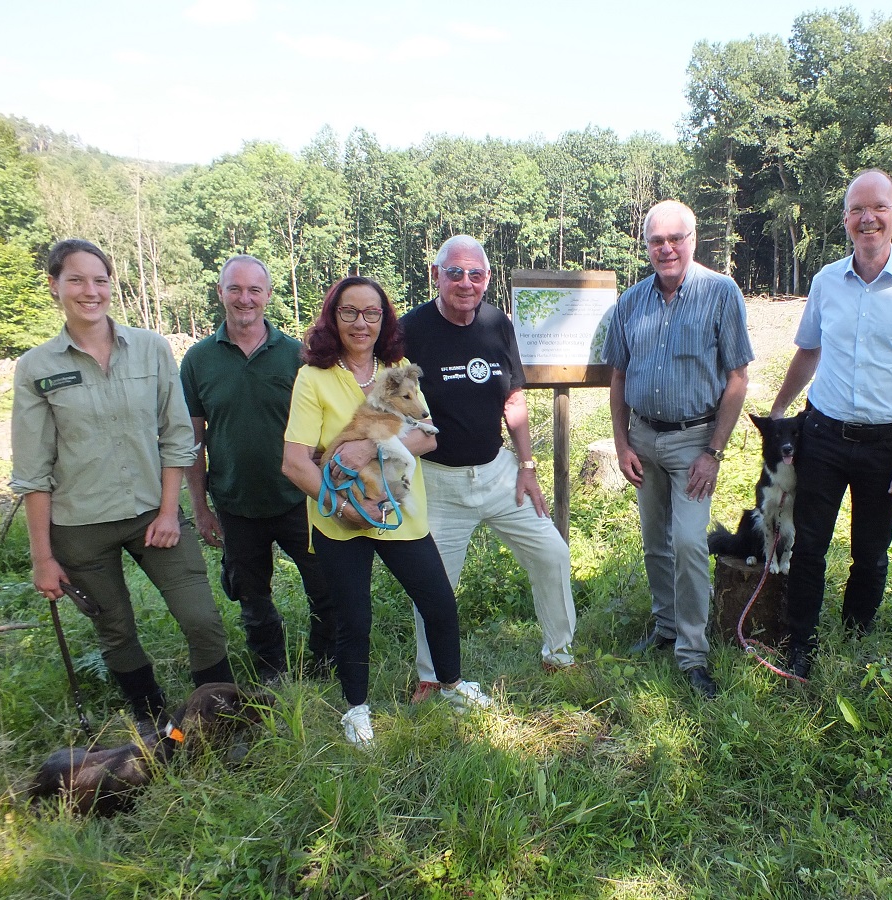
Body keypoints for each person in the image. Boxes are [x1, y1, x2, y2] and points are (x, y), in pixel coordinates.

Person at [11, 239, 233, 724]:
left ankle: (218, 714)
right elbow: (32, 471)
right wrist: (43, 558)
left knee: (201, 617)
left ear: (111, 286)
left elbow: (177, 436)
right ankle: (150, 716)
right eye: (76, 279)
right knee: (114, 628)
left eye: (100, 280)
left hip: (157, 513)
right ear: (55, 286)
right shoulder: (37, 367)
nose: (90, 291)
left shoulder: (151, 349)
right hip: (80, 526)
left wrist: (171, 511)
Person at [281, 276, 490, 745]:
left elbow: (429, 434)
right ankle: (356, 709)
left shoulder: (398, 370)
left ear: (384, 320)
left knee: (438, 600)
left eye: (371, 313)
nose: (361, 322)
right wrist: (341, 506)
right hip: (341, 518)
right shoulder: (313, 377)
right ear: (333, 317)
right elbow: (295, 462)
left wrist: (371, 451)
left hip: (400, 511)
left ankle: (452, 684)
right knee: (353, 617)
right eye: (350, 312)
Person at [769, 169, 892, 679]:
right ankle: (800, 642)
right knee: (809, 545)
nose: (867, 217)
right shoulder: (826, 281)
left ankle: (855, 635)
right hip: (823, 436)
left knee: (871, 552)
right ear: (846, 219)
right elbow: (809, 352)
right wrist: (781, 409)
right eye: (857, 209)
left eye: (878, 207)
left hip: (886, 444)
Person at [394, 235, 576, 702]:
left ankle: (559, 653)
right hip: (437, 483)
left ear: (488, 278)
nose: (465, 283)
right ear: (436, 274)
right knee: (434, 584)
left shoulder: (498, 324)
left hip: (499, 474)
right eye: (454, 272)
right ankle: (432, 677)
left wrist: (528, 465)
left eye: (475, 274)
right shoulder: (410, 330)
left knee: (552, 553)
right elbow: (388, 394)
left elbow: (513, 396)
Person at [602, 199, 754, 699]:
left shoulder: (720, 293)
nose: (666, 248)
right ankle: (666, 627)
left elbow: (737, 379)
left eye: (676, 239)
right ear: (645, 245)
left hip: (695, 440)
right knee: (654, 542)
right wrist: (622, 441)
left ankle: (693, 654)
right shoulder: (631, 301)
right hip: (644, 438)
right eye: (656, 240)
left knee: (689, 542)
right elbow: (618, 375)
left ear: (693, 240)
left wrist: (713, 451)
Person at [180, 255, 336, 683]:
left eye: (254, 290)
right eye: (235, 288)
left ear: (268, 295)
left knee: (326, 590)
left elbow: (323, 428)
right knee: (252, 599)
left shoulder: (296, 356)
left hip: (298, 499)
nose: (244, 298)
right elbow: (193, 441)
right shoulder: (198, 361)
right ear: (220, 293)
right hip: (235, 503)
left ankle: (323, 667)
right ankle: (271, 672)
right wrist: (201, 507)